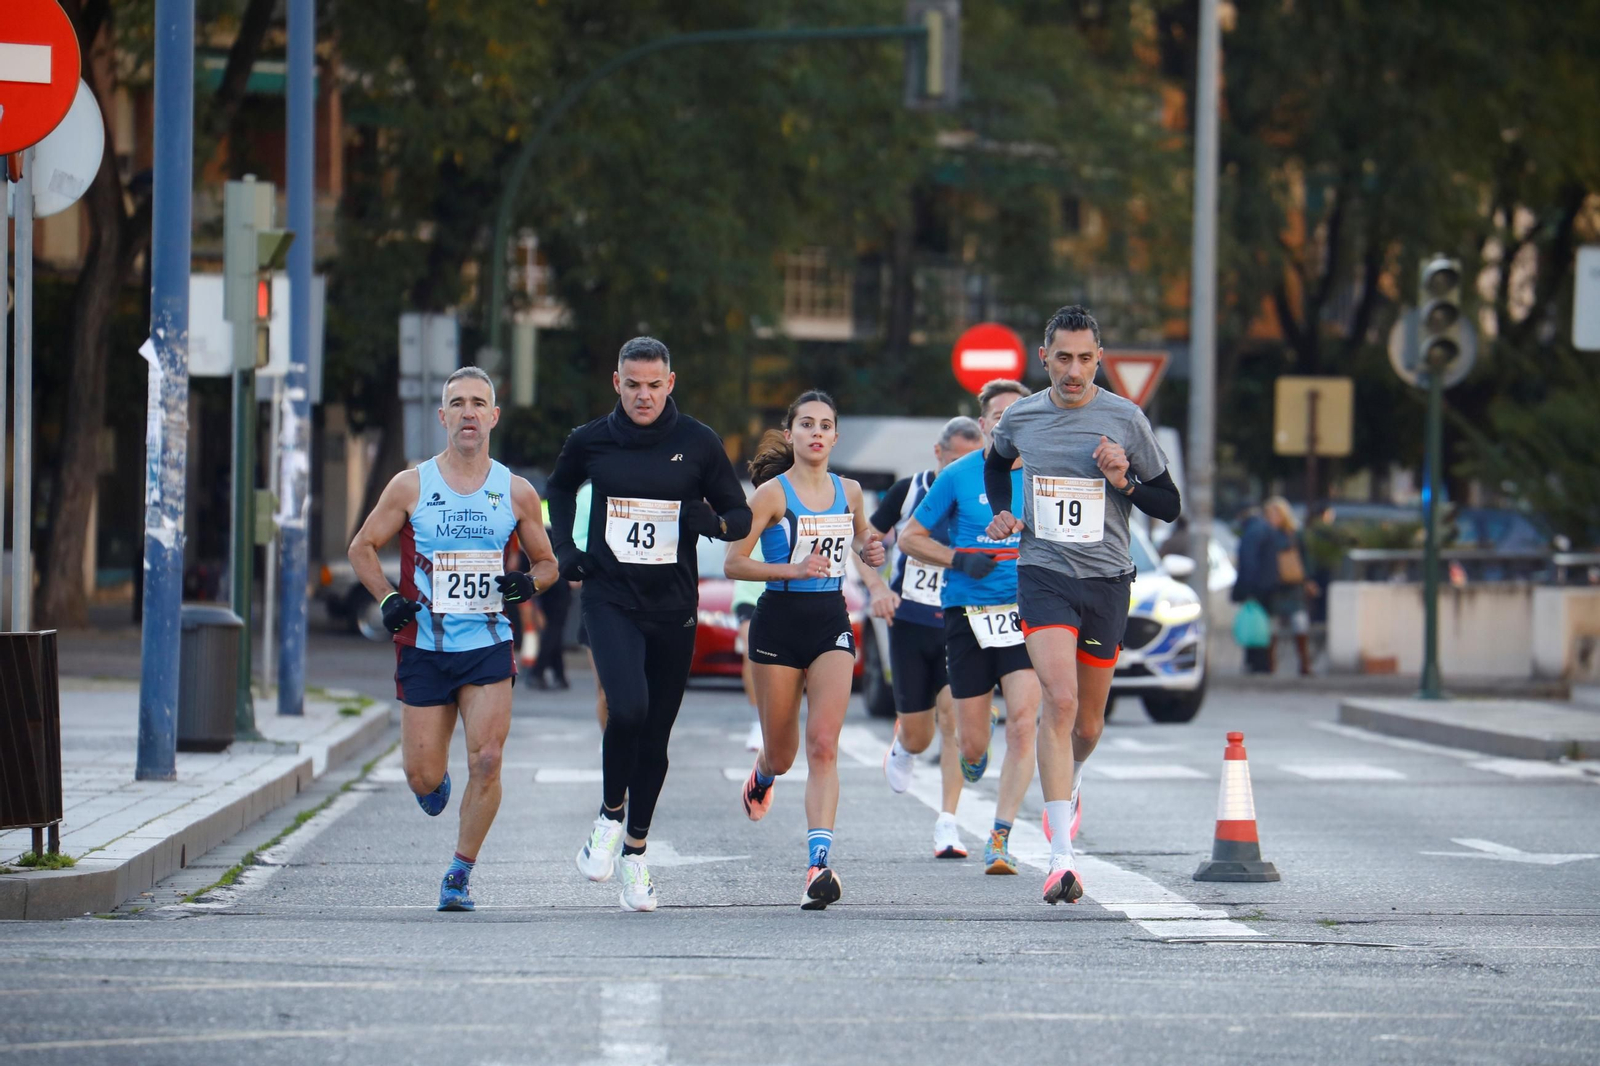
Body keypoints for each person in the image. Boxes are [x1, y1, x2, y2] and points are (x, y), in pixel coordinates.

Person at [545, 337, 753, 912]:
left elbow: (739, 517)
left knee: (657, 734)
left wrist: (702, 519)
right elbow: (559, 490)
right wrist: (565, 550)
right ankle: (611, 817)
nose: (643, 395)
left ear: (670, 382)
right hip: (610, 597)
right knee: (627, 708)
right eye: (632, 384)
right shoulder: (590, 440)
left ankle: (636, 855)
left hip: (673, 606)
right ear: (617, 382)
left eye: (653, 385)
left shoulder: (698, 443)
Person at [984, 305, 1181, 905]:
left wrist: (1123, 481)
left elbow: (1168, 505)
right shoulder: (1021, 417)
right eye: (1062, 358)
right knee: (1059, 700)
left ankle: (1064, 787)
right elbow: (996, 463)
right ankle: (1060, 857)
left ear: (1101, 359)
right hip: (1043, 571)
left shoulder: (1125, 419)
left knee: (1088, 723)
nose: (1073, 371)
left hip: (1107, 581)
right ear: (1043, 358)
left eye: (1085, 359)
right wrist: (1003, 509)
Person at [348, 366, 559, 912]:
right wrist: (388, 598)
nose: (468, 412)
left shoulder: (516, 491)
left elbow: (548, 566)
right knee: (423, 776)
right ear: (442, 417)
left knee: (487, 760)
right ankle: (433, 785)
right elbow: (362, 548)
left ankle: (460, 874)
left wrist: (524, 585)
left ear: (493, 416)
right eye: (458, 403)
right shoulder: (411, 485)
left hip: (488, 642)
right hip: (423, 644)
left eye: (478, 403)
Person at [726, 391, 891, 910]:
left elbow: (864, 546)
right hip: (778, 622)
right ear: (791, 433)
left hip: (829, 622)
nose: (816, 433)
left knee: (823, 743)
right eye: (806, 424)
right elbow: (734, 562)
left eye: (825, 425)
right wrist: (791, 569)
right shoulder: (772, 496)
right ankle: (764, 773)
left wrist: (874, 562)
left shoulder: (852, 491)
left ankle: (818, 864)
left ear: (835, 437)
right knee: (785, 751)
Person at [898, 383, 1039, 875]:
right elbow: (909, 537)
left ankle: (1000, 837)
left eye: (1015, 415)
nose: (1005, 423)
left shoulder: (1045, 476)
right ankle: (979, 741)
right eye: (997, 415)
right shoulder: (958, 475)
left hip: (1027, 613)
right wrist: (959, 558)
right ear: (983, 425)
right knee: (972, 746)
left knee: (1026, 721)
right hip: (968, 615)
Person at [870, 416, 984, 859]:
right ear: (938, 454)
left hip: (959, 623)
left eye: (971, 461)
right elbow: (866, 542)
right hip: (911, 624)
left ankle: (948, 824)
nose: (962, 471)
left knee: (954, 720)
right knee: (920, 736)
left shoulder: (981, 495)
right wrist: (877, 586)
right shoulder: (909, 491)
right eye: (955, 460)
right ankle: (904, 744)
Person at [1264, 496, 1313, 675]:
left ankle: (1304, 663)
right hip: (1274, 586)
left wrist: (1307, 579)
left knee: (1300, 623)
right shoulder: (1266, 533)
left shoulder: (1293, 534)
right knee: (1272, 626)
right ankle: (1271, 664)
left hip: (1293, 585)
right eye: (1270, 514)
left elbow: (1305, 558)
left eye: (1276, 513)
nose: (1273, 517)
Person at [731, 538, 767, 752]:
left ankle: (776, 721)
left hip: (784, 586)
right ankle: (758, 723)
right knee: (750, 652)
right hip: (750, 592)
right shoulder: (751, 505)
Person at [1232, 506, 1279, 675]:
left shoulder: (1252, 532)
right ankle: (1263, 663)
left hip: (1256, 587)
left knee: (1253, 625)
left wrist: (1246, 588)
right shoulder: (1266, 528)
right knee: (1262, 625)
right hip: (1268, 585)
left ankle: (1256, 663)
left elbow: (1248, 561)